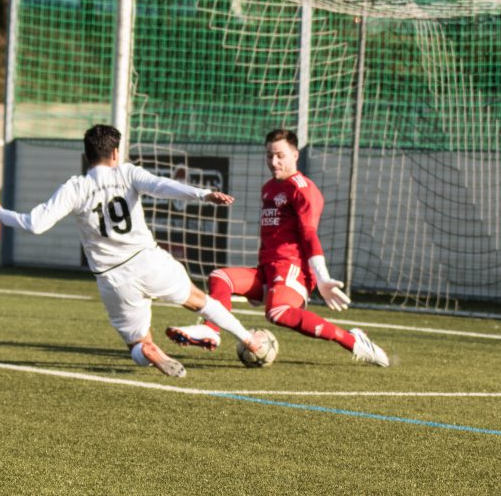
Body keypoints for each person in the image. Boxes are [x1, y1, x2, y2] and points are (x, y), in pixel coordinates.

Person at [0, 124, 267, 378]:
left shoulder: (75, 188)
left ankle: (149, 350)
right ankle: (249, 339)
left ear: (87, 156)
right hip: (148, 261)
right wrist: (202, 194)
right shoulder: (128, 173)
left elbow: (35, 224)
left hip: (113, 278)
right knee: (201, 301)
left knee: (137, 345)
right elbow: (161, 186)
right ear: (115, 153)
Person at [166, 129, 389, 367]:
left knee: (277, 312)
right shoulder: (269, 188)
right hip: (268, 269)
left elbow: (309, 235)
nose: (274, 162)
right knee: (220, 277)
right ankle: (211, 330)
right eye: (269, 156)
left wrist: (322, 278)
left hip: (294, 269)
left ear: (295, 155)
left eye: (280, 156)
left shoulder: (302, 189)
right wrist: (264, 283)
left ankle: (352, 340)